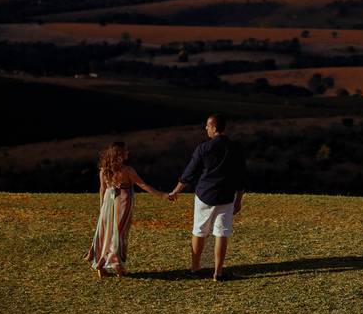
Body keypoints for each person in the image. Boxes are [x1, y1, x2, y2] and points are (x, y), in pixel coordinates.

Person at [168, 114, 247, 282]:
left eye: (207, 126)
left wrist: (176, 191)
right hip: (226, 196)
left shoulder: (204, 148)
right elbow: (241, 177)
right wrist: (238, 200)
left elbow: (189, 173)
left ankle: (195, 269)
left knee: (199, 231)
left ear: (214, 127)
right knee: (222, 233)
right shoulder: (236, 148)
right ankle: (218, 273)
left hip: (205, 195)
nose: (206, 129)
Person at [85, 141, 166, 277]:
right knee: (119, 234)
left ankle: (102, 265)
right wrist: (163, 195)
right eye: (126, 151)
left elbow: (102, 190)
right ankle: (114, 264)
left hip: (107, 203)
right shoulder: (127, 170)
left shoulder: (104, 170)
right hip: (123, 202)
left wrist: (101, 208)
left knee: (106, 233)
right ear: (120, 155)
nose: (128, 153)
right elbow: (143, 185)